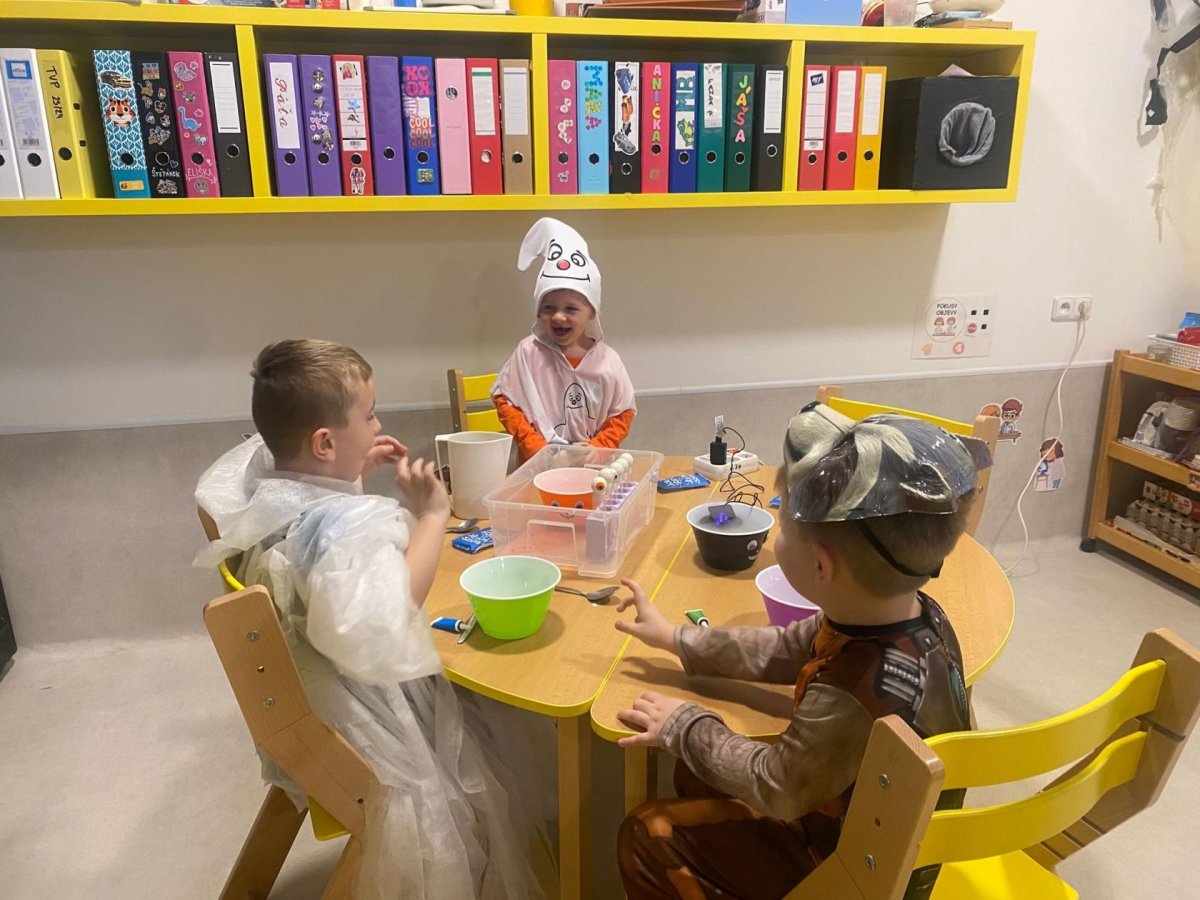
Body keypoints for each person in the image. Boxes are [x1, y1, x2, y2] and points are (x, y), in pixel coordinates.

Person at [195, 339, 549, 899]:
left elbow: (310, 511)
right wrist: (431, 516)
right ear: (324, 442)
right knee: (501, 712)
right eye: (370, 414)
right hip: (368, 727)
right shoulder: (348, 527)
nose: (378, 423)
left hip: (308, 707)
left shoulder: (269, 494)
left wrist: (349, 464)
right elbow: (393, 607)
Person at [612, 402, 993, 899]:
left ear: (820, 565)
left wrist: (686, 724)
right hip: (870, 824)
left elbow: (777, 786)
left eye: (782, 528)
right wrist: (676, 638)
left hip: (855, 873)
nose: (776, 536)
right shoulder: (912, 614)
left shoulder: (852, 691)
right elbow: (789, 646)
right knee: (697, 765)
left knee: (645, 835)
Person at [492, 217, 636, 463]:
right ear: (538, 312)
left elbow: (622, 412)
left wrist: (599, 447)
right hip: (537, 468)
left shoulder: (608, 361)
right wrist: (536, 447)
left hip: (592, 469)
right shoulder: (528, 353)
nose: (558, 316)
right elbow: (505, 399)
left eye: (571, 308)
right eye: (548, 307)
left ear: (592, 312)